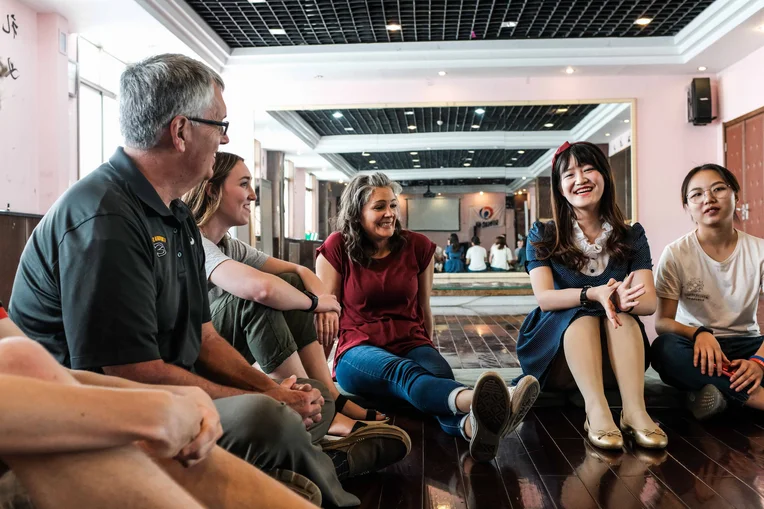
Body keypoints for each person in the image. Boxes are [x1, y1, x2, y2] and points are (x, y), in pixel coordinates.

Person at [8, 54, 396, 507]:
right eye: (219, 124)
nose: (225, 138)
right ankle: (324, 480)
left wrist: (271, 387)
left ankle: (306, 467)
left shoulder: (174, 214)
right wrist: (266, 401)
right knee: (267, 419)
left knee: (279, 407)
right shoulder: (105, 217)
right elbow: (131, 374)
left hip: (159, 387)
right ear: (180, 131)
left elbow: (203, 335)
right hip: (91, 414)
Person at [0, 301, 321, 509]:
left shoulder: (180, 229)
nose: (252, 196)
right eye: (243, 188)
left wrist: (170, 399)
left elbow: (50, 373)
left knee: (165, 439)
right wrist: (143, 413)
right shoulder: (105, 216)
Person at [315, 172, 540, 462]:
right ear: (357, 213)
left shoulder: (417, 246)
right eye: (379, 206)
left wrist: (428, 348)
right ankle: (489, 400)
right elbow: (326, 317)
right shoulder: (337, 248)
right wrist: (320, 375)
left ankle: (471, 427)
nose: (390, 214)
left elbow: (424, 308)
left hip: (410, 341)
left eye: (393, 205)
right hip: (357, 349)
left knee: (438, 374)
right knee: (404, 373)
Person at [182, 151, 402, 440]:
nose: (253, 195)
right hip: (191, 357)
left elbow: (296, 271)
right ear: (212, 190)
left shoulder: (228, 244)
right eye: (244, 184)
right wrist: (314, 303)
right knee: (257, 300)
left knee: (290, 284)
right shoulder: (196, 241)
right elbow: (261, 289)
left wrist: (319, 301)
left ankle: (328, 399)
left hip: (214, 348)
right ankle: (315, 411)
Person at [517, 141, 667, 451]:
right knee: (582, 317)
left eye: (588, 170)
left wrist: (626, 301)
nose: (580, 179)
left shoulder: (630, 235)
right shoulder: (543, 234)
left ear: (605, 177)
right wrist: (593, 294)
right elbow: (545, 298)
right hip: (557, 355)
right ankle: (596, 411)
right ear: (560, 188)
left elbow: (650, 302)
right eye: (569, 174)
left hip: (617, 363)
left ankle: (634, 413)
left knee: (622, 316)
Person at [651, 164, 764, 420]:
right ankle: (756, 398)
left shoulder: (759, 251)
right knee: (664, 350)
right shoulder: (676, 253)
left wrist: (758, 361)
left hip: (747, 344)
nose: (709, 199)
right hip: (696, 347)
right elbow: (663, 322)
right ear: (687, 207)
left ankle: (707, 393)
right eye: (697, 195)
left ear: (736, 194)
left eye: (718, 189)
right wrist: (699, 333)